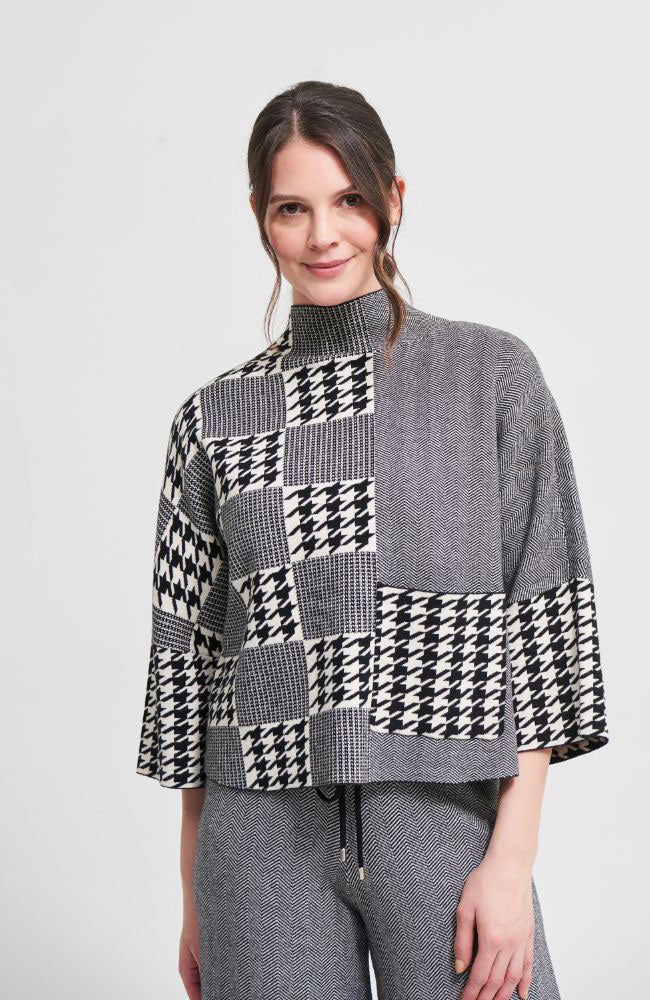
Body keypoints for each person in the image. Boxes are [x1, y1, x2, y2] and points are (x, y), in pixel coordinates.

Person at [136, 80, 609, 1000]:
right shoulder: (213, 417)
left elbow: (546, 621)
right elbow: (189, 663)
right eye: (293, 208)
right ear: (259, 216)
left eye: (349, 199)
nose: (323, 234)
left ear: (394, 198)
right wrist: (193, 892)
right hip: (258, 842)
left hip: (441, 819)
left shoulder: (491, 377)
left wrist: (511, 862)